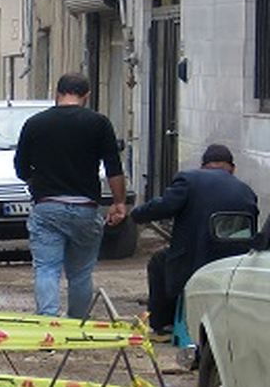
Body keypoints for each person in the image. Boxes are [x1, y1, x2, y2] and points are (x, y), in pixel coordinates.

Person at [13, 73, 127, 319]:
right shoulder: (99, 123)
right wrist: (119, 202)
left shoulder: (35, 123)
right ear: (86, 96)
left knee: (47, 269)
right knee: (81, 274)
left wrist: (39, 184)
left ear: (57, 93)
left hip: (47, 208)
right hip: (85, 209)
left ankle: (48, 323)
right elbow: (113, 168)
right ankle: (76, 325)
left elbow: (21, 168)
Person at [130, 144, 258, 341]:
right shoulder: (246, 190)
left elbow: (164, 206)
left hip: (194, 261)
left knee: (158, 262)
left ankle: (164, 324)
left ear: (204, 166)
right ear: (232, 168)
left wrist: (136, 214)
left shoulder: (189, 179)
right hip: (232, 263)